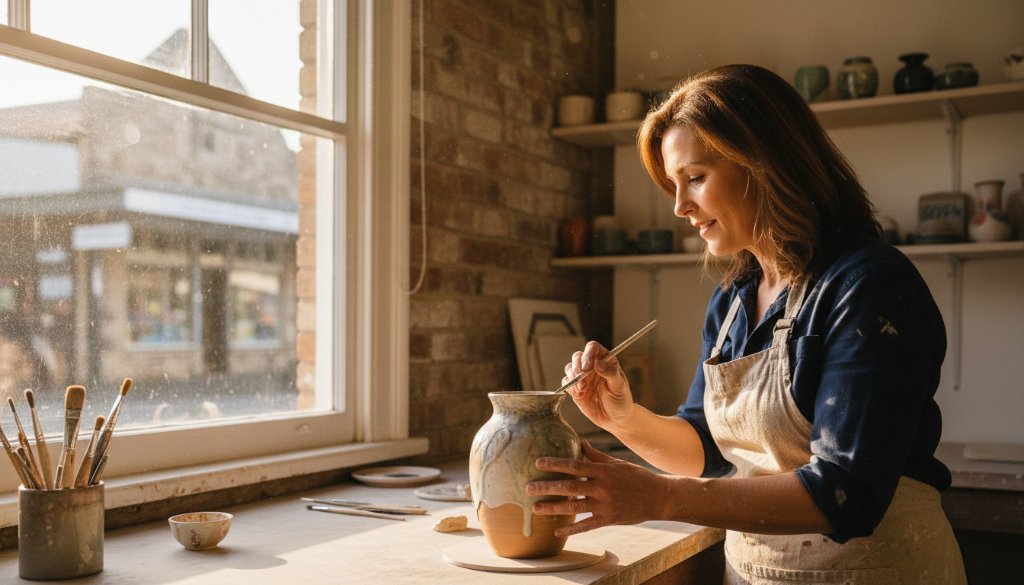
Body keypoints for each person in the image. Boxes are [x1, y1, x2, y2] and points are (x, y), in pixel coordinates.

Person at [528, 64, 967, 584]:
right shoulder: (734, 301)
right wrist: (623, 418)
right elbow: (705, 451)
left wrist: (660, 496)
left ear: (764, 162)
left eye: (695, 178)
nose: (679, 206)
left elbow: (845, 493)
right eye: (673, 184)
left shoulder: (869, 285)